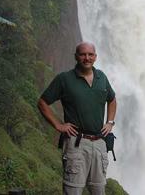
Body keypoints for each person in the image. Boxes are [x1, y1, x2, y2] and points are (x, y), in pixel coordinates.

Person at [38, 42, 117, 195]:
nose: (86, 58)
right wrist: (58, 125)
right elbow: (42, 102)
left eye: (90, 54)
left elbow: (112, 99)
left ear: (95, 57)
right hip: (76, 143)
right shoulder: (64, 79)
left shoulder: (102, 77)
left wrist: (110, 122)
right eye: (82, 54)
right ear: (76, 57)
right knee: (72, 190)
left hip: (100, 143)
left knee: (99, 190)